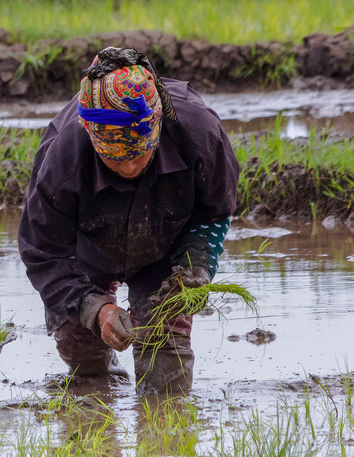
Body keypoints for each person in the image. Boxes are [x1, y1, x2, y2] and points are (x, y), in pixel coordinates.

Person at [18, 47, 238, 396]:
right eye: (115, 159)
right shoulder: (63, 158)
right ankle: (101, 399)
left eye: (139, 154)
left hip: (165, 251)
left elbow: (213, 212)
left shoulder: (200, 135)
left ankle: (165, 442)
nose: (130, 168)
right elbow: (43, 252)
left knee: (166, 369)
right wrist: (97, 308)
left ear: (157, 125)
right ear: (93, 140)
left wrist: (195, 266)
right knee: (83, 357)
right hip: (86, 251)